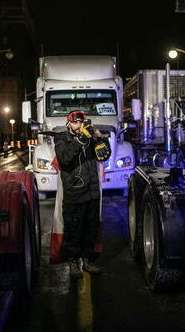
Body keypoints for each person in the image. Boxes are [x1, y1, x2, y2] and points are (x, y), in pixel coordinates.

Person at [54, 110, 111, 278]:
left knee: (90, 228)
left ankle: (87, 261)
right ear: (68, 124)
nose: (79, 125)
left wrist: (100, 139)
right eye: (75, 122)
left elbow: (103, 157)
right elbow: (64, 158)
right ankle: (72, 262)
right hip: (74, 192)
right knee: (73, 230)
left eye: (81, 122)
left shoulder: (90, 137)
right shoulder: (62, 138)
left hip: (92, 192)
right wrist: (81, 139)